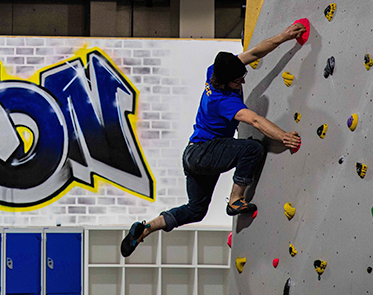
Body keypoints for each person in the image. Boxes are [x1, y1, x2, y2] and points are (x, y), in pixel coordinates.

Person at [121, 23, 305, 257]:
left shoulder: (215, 72)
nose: (243, 83)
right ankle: (235, 200)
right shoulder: (223, 102)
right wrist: (284, 136)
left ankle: (145, 229)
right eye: (238, 81)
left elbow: (256, 52)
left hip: (193, 154)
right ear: (227, 82)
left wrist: (284, 36)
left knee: (196, 210)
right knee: (252, 149)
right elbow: (255, 121)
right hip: (204, 152)